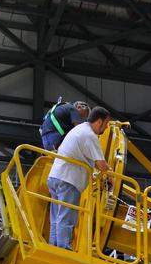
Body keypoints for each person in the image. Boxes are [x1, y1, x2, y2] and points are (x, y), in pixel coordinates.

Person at [46, 106, 111, 249]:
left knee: (57, 217)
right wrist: (112, 176)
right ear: (99, 121)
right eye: (106, 123)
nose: (106, 127)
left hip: (56, 176)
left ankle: (54, 247)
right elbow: (100, 164)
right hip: (69, 180)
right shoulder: (90, 136)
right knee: (66, 217)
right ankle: (63, 249)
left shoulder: (79, 129)